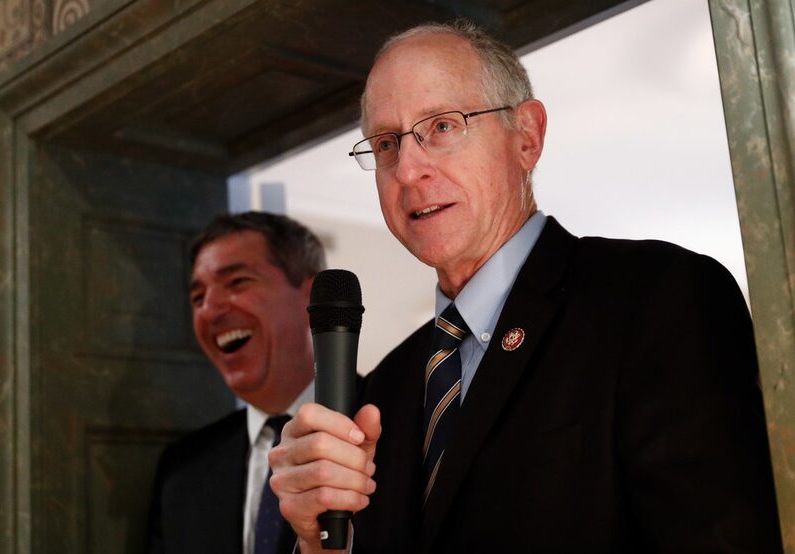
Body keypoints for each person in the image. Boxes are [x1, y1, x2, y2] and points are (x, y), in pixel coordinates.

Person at [268, 20, 783, 553]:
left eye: (442, 126)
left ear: (527, 138)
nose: (407, 169)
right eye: (386, 142)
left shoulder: (660, 299)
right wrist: (320, 548)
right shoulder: (380, 391)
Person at [147, 211, 325, 554]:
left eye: (237, 282)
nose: (209, 310)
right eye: (198, 298)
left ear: (313, 295)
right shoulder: (181, 471)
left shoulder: (398, 426)